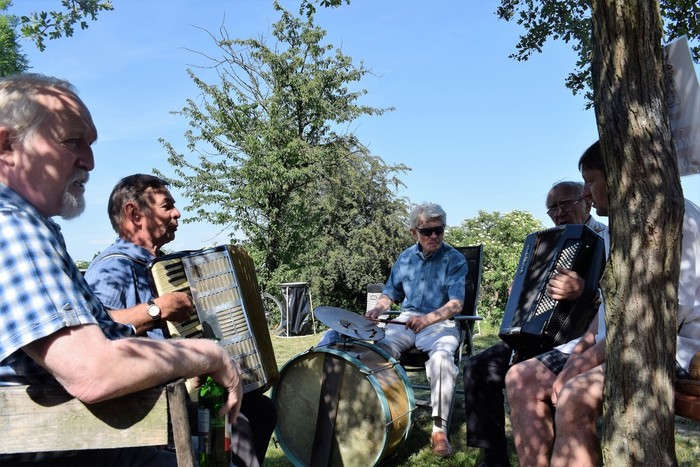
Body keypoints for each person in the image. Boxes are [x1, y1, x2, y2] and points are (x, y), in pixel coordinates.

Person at [0, 74, 242, 466]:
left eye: (90, 144)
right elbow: (92, 371)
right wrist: (207, 353)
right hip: (74, 446)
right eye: (72, 141)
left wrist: (178, 360)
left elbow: (105, 338)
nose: (90, 162)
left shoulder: (29, 227)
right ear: (7, 146)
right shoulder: (12, 226)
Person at [506, 141, 700, 466]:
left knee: (575, 396)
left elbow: (655, 322)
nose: (585, 193)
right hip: (614, 342)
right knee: (520, 379)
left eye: (590, 181)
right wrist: (576, 357)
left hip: (673, 346)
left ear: (617, 176)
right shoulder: (615, 232)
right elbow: (606, 309)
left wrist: (580, 366)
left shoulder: (674, 217)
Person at [85, 174, 276, 467]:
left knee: (261, 410)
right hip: (148, 403)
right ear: (134, 214)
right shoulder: (112, 269)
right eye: (167, 206)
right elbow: (96, 328)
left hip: (179, 390)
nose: (177, 213)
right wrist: (156, 310)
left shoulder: (164, 266)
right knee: (237, 424)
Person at [463, 180, 605, 467]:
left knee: (530, 377)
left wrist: (585, 291)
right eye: (553, 207)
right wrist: (521, 298)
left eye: (566, 203)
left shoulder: (606, 238)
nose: (560, 212)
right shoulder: (548, 240)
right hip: (539, 335)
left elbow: (619, 298)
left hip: (583, 339)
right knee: (478, 367)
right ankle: (494, 458)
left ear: (587, 202)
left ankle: (557, 451)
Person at [365, 202, 466, 457]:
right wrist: (378, 310)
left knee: (442, 360)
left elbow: (456, 304)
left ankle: (439, 430)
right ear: (414, 233)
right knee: (377, 352)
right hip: (406, 321)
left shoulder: (455, 259)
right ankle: (387, 414)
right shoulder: (405, 258)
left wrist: (428, 319)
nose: (434, 236)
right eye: (426, 231)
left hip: (439, 322)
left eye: (438, 230)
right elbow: (389, 293)